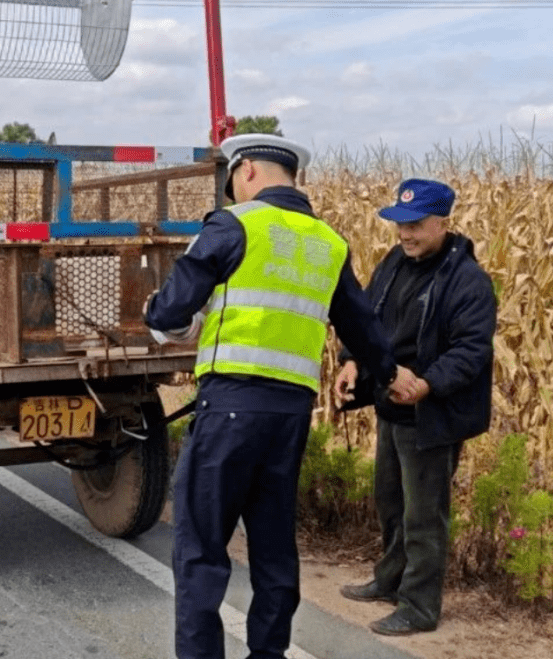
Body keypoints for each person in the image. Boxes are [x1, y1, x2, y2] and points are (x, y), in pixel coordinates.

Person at [145, 133, 417, 659]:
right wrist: (389, 374)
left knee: (200, 551)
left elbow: (171, 312)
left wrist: (163, 320)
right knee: (273, 550)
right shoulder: (328, 243)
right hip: (289, 417)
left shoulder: (233, 224)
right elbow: (362, 327)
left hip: (227, 409)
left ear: (246, 171)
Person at [334, 178, 496, 636]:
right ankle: (390, 581)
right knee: (390, 501)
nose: (405, 233)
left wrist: (426, 385)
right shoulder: (394, 262)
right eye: (401, 223)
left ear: (443, 222)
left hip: (431, 415)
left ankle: (420, 607)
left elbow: (471, 351)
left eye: (417, 224)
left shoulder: (467, 281)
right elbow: (366, 317)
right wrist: (351, 362)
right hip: (392, 405)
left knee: (423, 516)